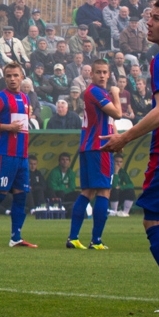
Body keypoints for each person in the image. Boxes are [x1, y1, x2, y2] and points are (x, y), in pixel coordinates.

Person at [100, 0, 159, 311]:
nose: (148, 23)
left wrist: (124, 138)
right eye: (148, 17)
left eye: (156, 18)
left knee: (154, 220)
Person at [66, 59, 122, 250]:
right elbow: (118, 114)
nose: (102, 75)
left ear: (109, 73)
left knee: (87, 192)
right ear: (91, 74)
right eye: (98, 72)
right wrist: (116, 93)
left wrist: (116, 136)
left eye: (105, 72)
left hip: (89, 146)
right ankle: (96, 240)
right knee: (104, 191)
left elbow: (108, 119)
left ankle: (73, 238)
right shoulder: (96, 92)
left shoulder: (97, 93)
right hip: (99, 148)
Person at [0, 62, 37, 248]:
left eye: (16, 75)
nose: (12, 79)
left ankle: (16, 237)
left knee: (21, 196)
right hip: (4, 154)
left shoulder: (25, 98)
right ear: (5, 78)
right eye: (8, 76)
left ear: (22, 77)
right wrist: (7, 127)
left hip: (21, 156)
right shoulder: (0, 98)